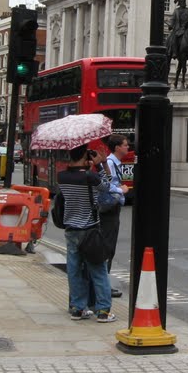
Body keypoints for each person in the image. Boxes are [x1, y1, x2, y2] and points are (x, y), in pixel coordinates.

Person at [58, 143, 115, 323]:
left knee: (74, 271)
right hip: (89, 230)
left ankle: (77, 308)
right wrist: (100, 164)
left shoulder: (62, 176)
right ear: (85, 156)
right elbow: (107, 186)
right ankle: (103, 311)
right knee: (98, 271)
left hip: (71, 231)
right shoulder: (90, 176)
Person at [99, 134, 131, 298]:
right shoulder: (110, 163)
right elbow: (105, 185)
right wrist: (121, 190)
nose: (128, 147)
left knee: (109, 248)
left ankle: (104, 284)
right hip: (109, 210)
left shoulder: (113, 163)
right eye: (125, 145)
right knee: (107, 247)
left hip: (113, 208)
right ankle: (104, 286)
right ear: (117, 147)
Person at [165, 0, 188, 64]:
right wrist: (171, 25)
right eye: (183, 1)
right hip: (178, 30)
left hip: (187, 29)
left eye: (185, 1)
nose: (185, 3)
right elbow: (173, 19)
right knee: (173, 38)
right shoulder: (176, 11)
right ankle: (174, 52)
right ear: (180, 3)